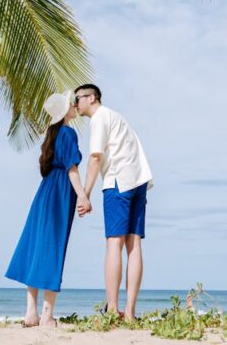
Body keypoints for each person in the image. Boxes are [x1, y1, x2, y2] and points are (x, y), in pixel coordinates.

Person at [5, 92, 88, 327]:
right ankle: (47, 315)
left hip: (44, 192)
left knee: (37, 248)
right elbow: (72, 168)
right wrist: (82, 195)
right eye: (71, 103)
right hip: (60, 193)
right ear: (65, 112)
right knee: (54, 248)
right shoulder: (68, 133)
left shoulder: (50, 135)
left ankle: (31, 313)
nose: (74, 105)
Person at [76, 84, 153, 322]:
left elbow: (96, 157)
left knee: (114, 243)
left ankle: (112, 309)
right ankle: (129, 312)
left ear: (91, 98)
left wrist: (85, 193)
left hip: (118, 182)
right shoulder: (118, 117)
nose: (75, 103)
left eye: (77, 98)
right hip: (139, 180)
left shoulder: (100, 118)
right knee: (134, 245)